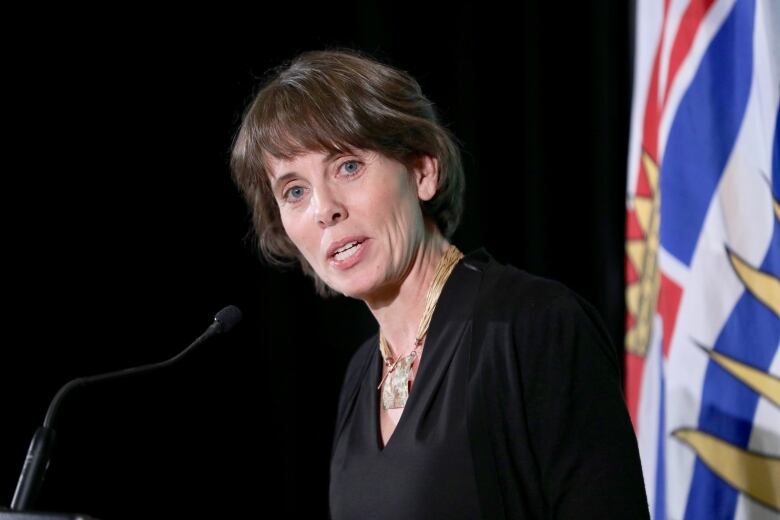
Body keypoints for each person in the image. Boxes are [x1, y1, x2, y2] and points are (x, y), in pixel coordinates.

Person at [230, 49, 649, 519]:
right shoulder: (360, 377)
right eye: (294, 191)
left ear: (422, 171)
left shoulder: (534, 327)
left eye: (347, 166)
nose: (324, 208)